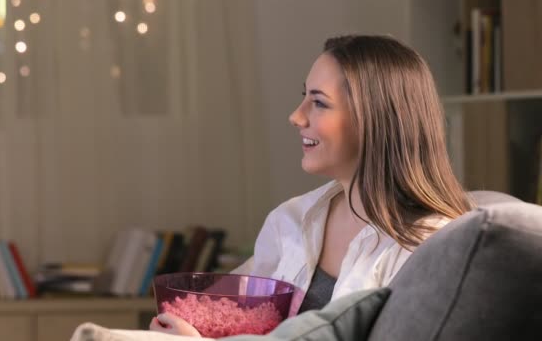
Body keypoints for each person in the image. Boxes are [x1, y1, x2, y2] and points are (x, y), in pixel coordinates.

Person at [150, 34, 473, 336]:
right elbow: (221, 314)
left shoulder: (432, 246)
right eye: (304, 96)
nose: (296, 116)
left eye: (319, 103)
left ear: (375, 119)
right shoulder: (290, 219)